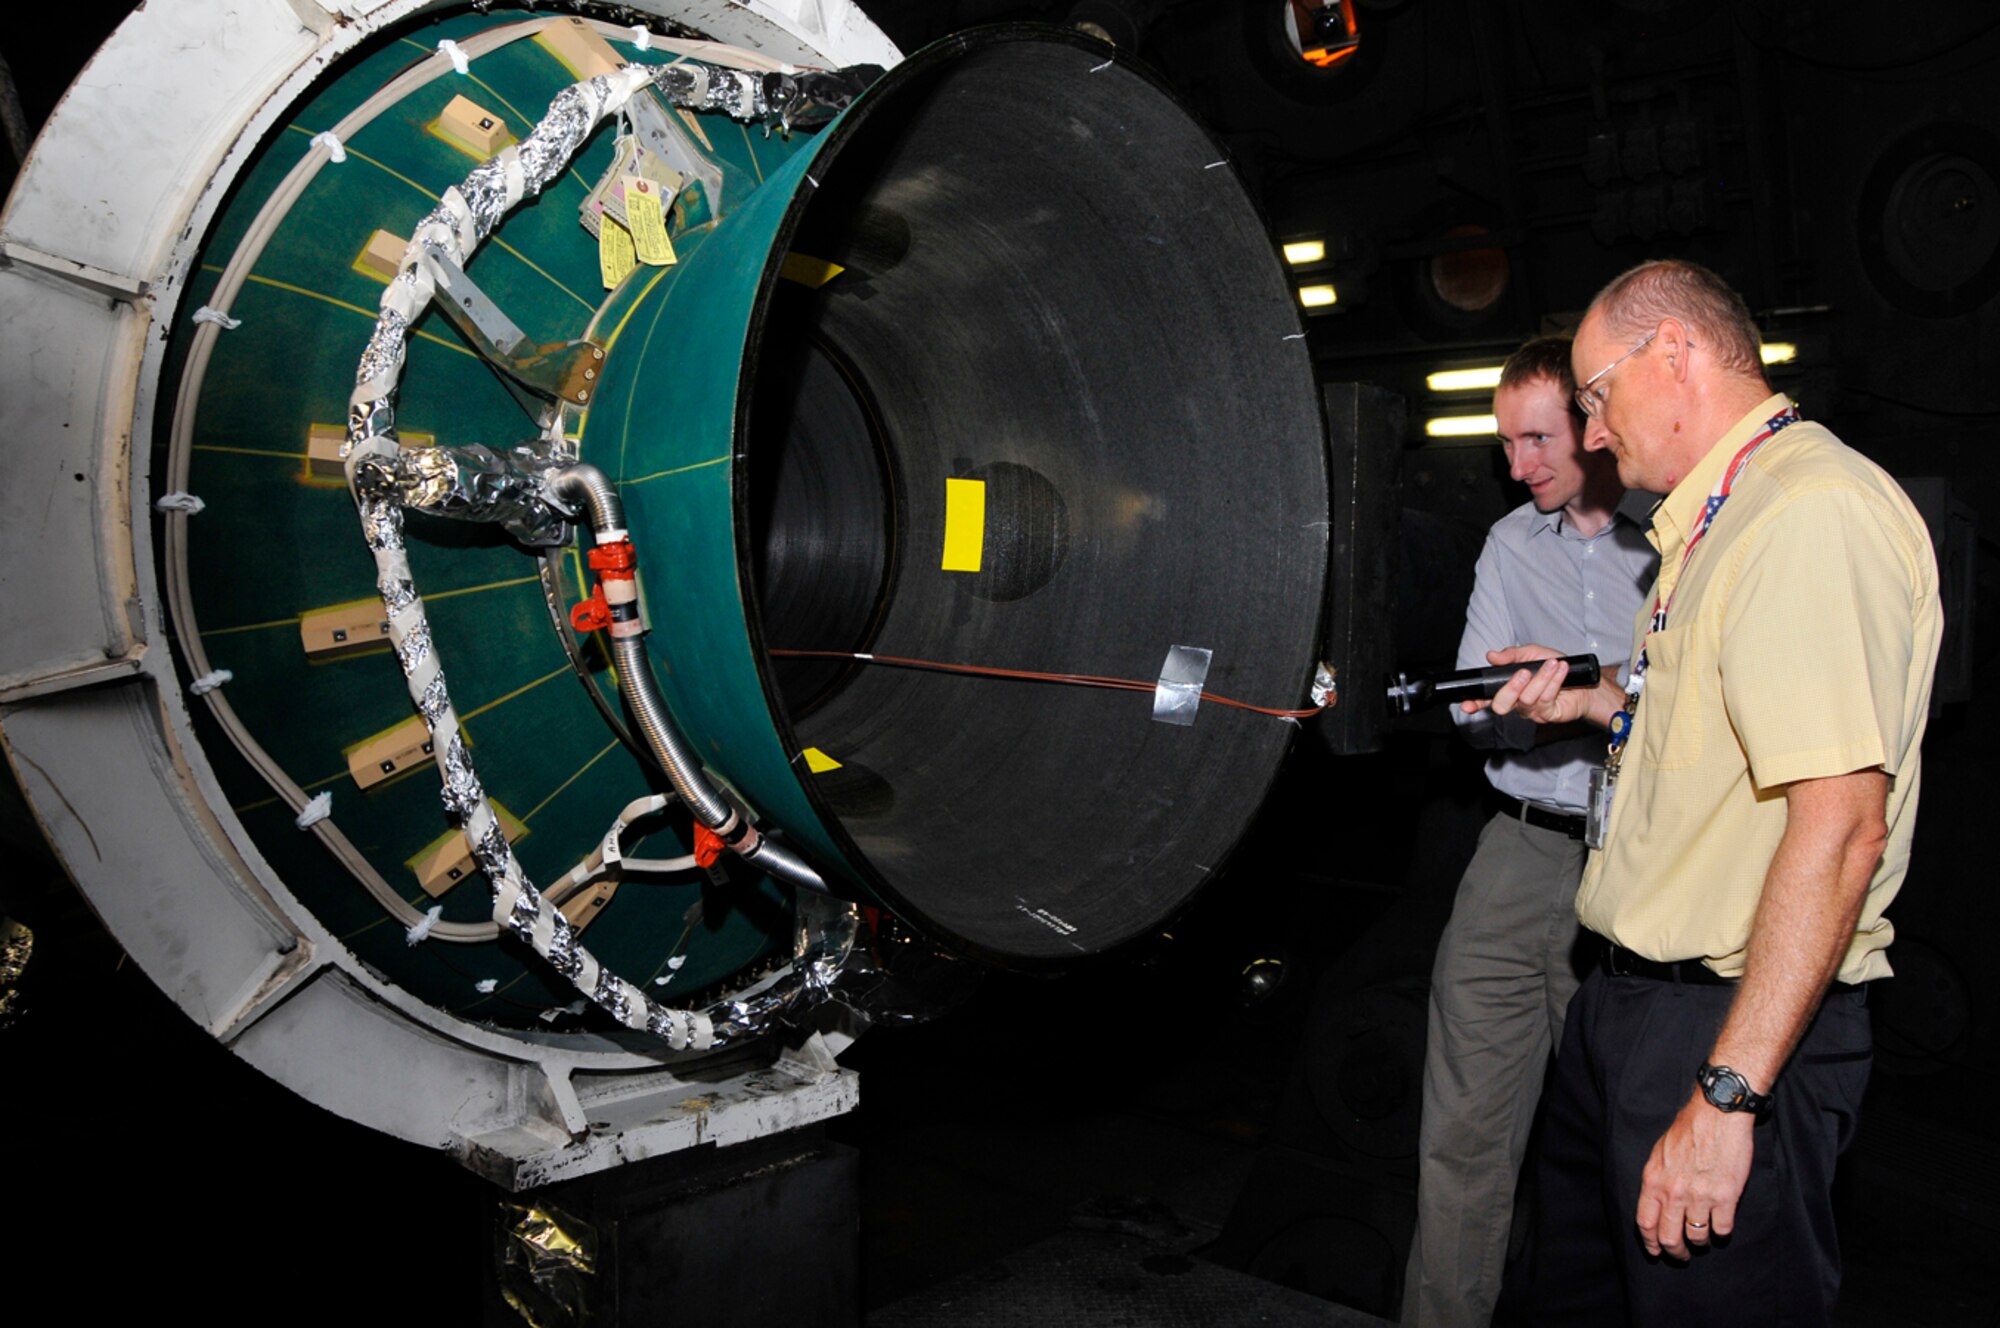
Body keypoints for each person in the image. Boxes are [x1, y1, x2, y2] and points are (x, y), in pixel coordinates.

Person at [1476, 259, 1941, 1325]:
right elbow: (1711, 745)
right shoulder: (1716, 523)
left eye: (1594, 395)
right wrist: (1593, 704)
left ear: (1673, 351)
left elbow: (1839, 824)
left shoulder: (1805, 513)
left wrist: (1728, 1093)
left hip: (1722, 1023)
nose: (1591, 433)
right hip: (1631, 1007)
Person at [1402, 336, 1657, 1328]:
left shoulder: (1673, 540)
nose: (1517, 466)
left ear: (1595, 428)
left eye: (1536, 438)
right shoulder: (1510, 542)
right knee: (1459, 1128)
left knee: (1618, 1137)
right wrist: (1510, 704)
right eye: (1506, 444)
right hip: (1519, 841)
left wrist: (1595, 695)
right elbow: (1473, 713)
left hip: (1637, 852)